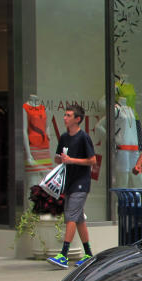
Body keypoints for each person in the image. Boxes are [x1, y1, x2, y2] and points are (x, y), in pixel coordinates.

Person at [47, 104, 97, 269]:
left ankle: (63, 254)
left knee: (70, 216)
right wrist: (60, 159)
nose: (65, 118)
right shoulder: (63, 137)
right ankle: (88, 254)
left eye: (68, 115)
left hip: (81, 182)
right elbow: (58, 157)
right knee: (79, 219)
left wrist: (72, 160)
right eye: (65, 115)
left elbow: (92, 161)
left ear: (77, 119)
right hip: (69, 181)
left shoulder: (84, 137)